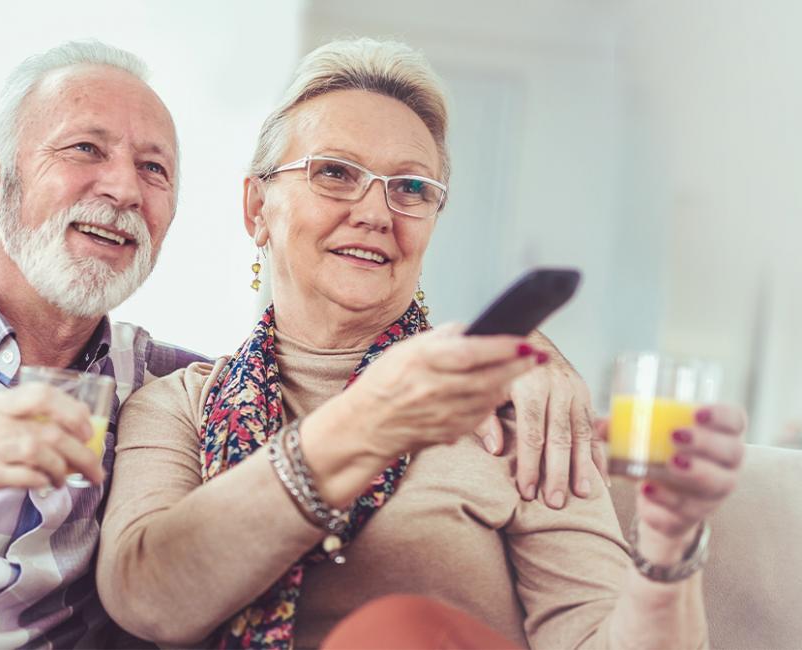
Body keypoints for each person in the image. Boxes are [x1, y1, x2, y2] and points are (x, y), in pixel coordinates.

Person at [0, 39, 597, 648]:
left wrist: (532, 360)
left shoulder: (166, 389)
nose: (123, 189)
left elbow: (309, 379)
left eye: (154, 169)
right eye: (83, 150)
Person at [96, 38, 747, 649]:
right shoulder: (175, 406)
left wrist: (668, 550)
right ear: (256, 208)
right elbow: (148, 598)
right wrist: (371, 420)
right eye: (335, 173)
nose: (376, 213)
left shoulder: (515, 406)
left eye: (411, 188)